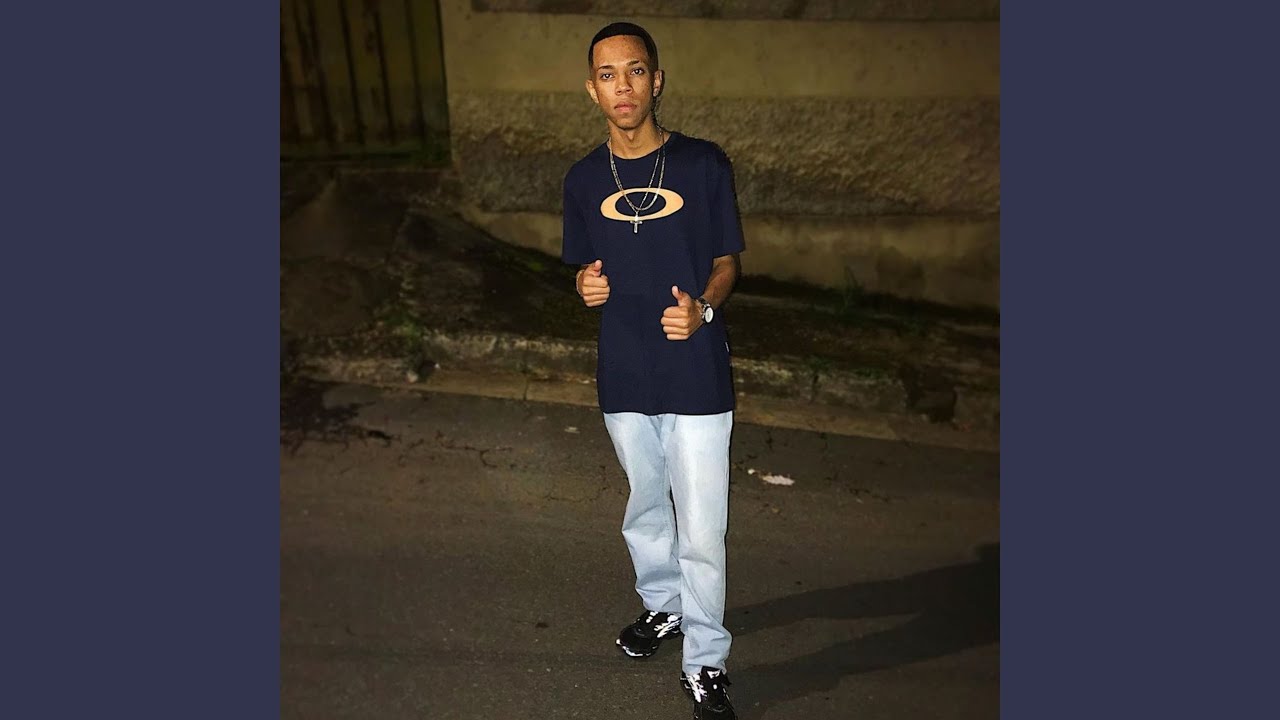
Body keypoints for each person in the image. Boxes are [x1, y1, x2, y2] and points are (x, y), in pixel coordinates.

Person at [561, 21, 744, 720]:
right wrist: (585, 286)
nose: (623, 86)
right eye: (608, 74)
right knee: (644, 508)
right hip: (624, 370)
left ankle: (706, 662)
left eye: (635, 70)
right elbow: (585, 266)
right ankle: (664, 605)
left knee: (701, 529)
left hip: (695, 371)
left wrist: (703, 309)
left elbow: (726, 261)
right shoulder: (583, 180)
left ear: (656, 80)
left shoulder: (703, 165)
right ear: (592, 90)